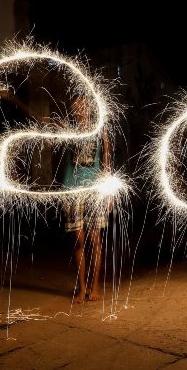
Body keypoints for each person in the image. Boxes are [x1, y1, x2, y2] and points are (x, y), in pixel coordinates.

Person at [61, 96, 112, 303]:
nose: (79, 110)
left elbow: (107, 163)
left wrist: (108, 193)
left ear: (90, 108)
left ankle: (95, 286)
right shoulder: (69, 131)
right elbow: (44, 123)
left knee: (94, 238)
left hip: (95, 189)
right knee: (79, 239)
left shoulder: (101, 131)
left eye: (83, 106)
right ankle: (81, 288)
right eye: (76, 107)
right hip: (72, 190)